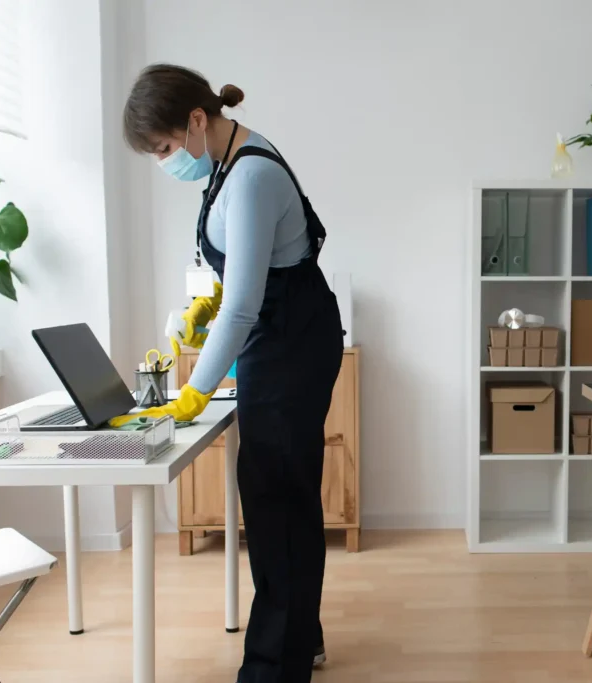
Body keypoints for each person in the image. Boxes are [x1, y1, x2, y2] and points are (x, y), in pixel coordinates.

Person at [117, 64, 343, 683]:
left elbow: (247, 303)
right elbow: (248, 277)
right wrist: (206, 307)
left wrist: (194, 392)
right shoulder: (226, 163)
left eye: (165, 148)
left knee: (277, 499)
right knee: (281, 495)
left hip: (292, 344)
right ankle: (302, 638)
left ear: (196, 120)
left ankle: (276, 666)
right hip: (283, 335)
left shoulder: (250, 175)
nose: (166, 162)